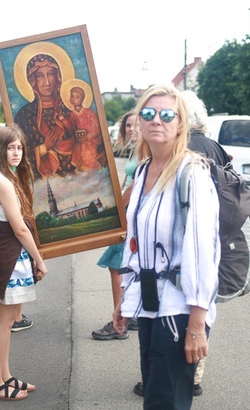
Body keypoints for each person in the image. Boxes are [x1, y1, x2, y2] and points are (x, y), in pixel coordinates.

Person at [113, 84, 221, 409]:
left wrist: (197, 326)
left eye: (166, 115)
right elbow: (135, 248)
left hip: (179, 308)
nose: (156, 120)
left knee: (166, 400)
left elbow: (203, 254)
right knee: (155, 395)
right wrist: (123, 302)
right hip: (148, 304)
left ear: (180, 124)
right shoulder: (144, 171)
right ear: (139, 123)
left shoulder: (193, 176)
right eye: (148, 114)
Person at [0, 125, 48, 401]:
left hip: (5, 251)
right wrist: (39, 258)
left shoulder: (1, 176)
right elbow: (20, 228)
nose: (16, 152)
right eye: (10, 147)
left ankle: (5, 376)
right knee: (4, 321)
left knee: (8, 318)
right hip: (6, 253)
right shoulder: (2, 181)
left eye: (19, 147)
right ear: (0, 150)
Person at [182, 90, 230, 397]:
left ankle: (185, 375)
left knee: (186, 308)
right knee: (205, 305)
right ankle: (197, 372)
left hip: (189, 235)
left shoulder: (181, 148)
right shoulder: (216, 147)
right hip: (218, 234)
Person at [92, 111, 140, 340]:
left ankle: (119, 322)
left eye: (134, 125)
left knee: (117, 266)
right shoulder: (135, 150)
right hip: (127, 213)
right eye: (127, 126)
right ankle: (129, 315)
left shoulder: (146, 151)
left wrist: (117, 208)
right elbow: (126, 181)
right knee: (125, 266)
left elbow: (136, 186)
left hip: (131, 215)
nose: (130, 129)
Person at [14, 53, 77, 178]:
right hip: (41, 185)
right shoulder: (25, 114)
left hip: (74, 181)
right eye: (40, 76)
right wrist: (44, 148)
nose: (47, 82)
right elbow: (16, 153)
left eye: (51, 74)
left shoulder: (68, 110)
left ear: (58, 77)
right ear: (32, 81)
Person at [59, 80, 104, 172]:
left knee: (88, 155)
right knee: (76, 152)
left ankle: (91, 171)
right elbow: (71, 127)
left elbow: (96, 128)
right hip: (79, 140)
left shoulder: (89, 113)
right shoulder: (72, 114)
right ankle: (81, 170)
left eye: (77, 97)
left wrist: (87, 137)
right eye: (72, 96)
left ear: (82, 98)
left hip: (90, 140)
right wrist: (62, 118)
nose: (73, 99)